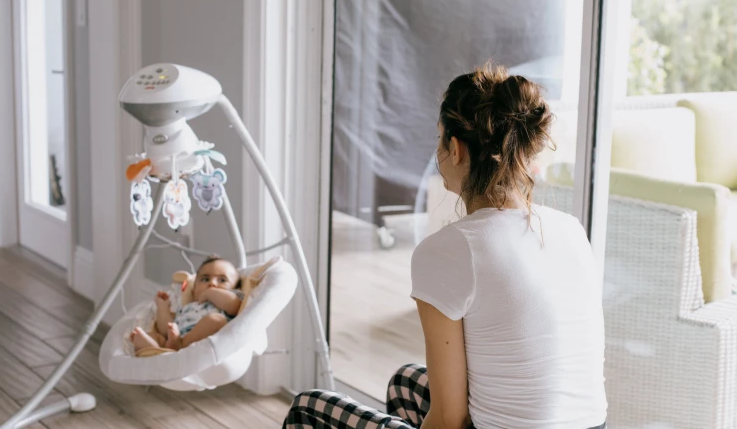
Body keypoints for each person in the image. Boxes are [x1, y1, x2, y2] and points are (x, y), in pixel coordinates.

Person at [284, 62, 607, 428]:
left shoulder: (451, 249)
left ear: (455, 149)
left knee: (307, 408)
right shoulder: (570, 228)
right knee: (407, 382)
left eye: (439, 137)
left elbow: (450, 419)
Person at [130, 255, 243, 352]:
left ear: (235, 288)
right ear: (194, 291)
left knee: (216, 320)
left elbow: (235, 306)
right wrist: (163, 306)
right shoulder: (188, 307)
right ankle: (156, 351)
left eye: (222, 280)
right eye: (205, 279)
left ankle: (180, 345)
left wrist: (211, 293)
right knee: (154, 335)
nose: (212, 283)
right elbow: (166, 329)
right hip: (175, 339)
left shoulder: (231, 298)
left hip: (207, 343)